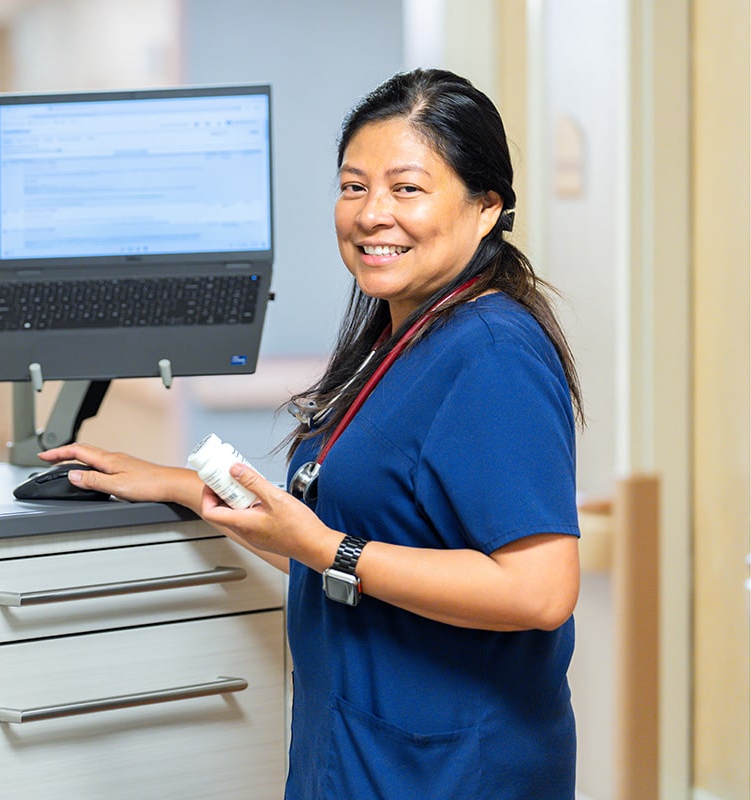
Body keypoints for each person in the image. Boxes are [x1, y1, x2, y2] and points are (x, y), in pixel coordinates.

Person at [41, 67, 583, 800]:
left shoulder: (491, 350)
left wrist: (330, 549)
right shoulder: (403, 339)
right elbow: (328, 536)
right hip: (361, 753)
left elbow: (539, 590)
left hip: (453, 770)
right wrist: (187, 487)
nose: (372, 214)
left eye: (407, 188)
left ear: (486, 207)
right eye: (354, 186)